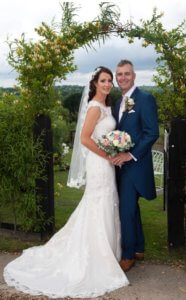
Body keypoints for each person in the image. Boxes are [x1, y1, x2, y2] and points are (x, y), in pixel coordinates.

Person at [3, 67, 129, 298]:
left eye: (110, 80)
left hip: (106, 163)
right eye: (103, 80)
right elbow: (84, 139)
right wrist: (108, 154)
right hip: (99, 163)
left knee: (106, 202)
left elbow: (103, 135)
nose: (108, 84)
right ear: (94, 84)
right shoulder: (94, 107)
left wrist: (115, 147)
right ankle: (95, 258)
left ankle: (108, 253)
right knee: (97, 203)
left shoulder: (107, 106)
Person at [111, 59, 159, 272]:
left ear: (134, 76)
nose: (123, 78)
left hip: (135, 165)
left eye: (127, 74)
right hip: (120, 166)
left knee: (126, 210)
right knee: (131, 208)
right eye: (119, 74)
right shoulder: (117, 103)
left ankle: (128, 255)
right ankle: (138, 247)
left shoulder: (145, 99)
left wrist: (130, 155)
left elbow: (152, 133)